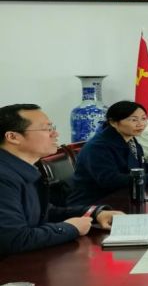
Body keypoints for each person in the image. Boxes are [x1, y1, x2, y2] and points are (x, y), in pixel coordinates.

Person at [0, 104, 122, 256]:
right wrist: (70, 228)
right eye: (47, 129)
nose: (55, 134)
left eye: (53, 127)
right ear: (13, 137)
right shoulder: (4, 178)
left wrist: (95, 213)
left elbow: (44, 213)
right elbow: (13, 239)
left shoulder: (22, 168)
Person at [68, 101, 148, 206]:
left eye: (144, 118)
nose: (141, 124)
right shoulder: (99, 146)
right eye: (134, 120)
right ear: (113, 122)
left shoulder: (130, 138)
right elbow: (110, 180)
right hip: (94, 204)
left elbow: (136, 166)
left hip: (122, 197)